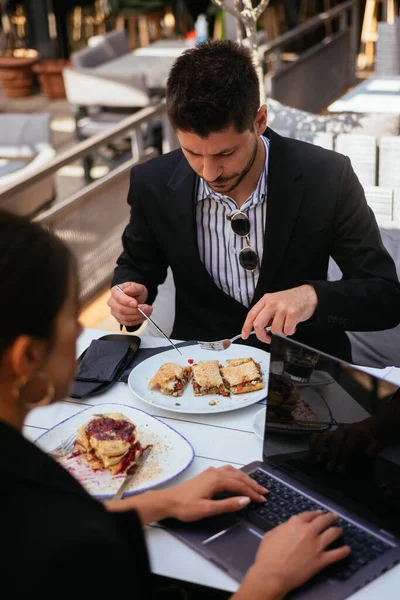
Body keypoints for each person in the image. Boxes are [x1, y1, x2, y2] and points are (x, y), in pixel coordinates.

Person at [0, 208, 350, 597]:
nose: (82, 331)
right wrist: (269, 579)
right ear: (27, 358)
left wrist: (158, 503)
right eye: (71, 317)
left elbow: (54, 525)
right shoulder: (77, 555)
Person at [108, 40, 400, 362]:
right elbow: (137, 265)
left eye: (225, 153)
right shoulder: (152, 183)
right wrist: (129, 292)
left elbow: (385, 296)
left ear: (259, 121)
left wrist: (312, 297)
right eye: (192, 152)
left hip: (305, 378)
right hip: (196, 374)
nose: (209, 172)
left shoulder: (328, 177)